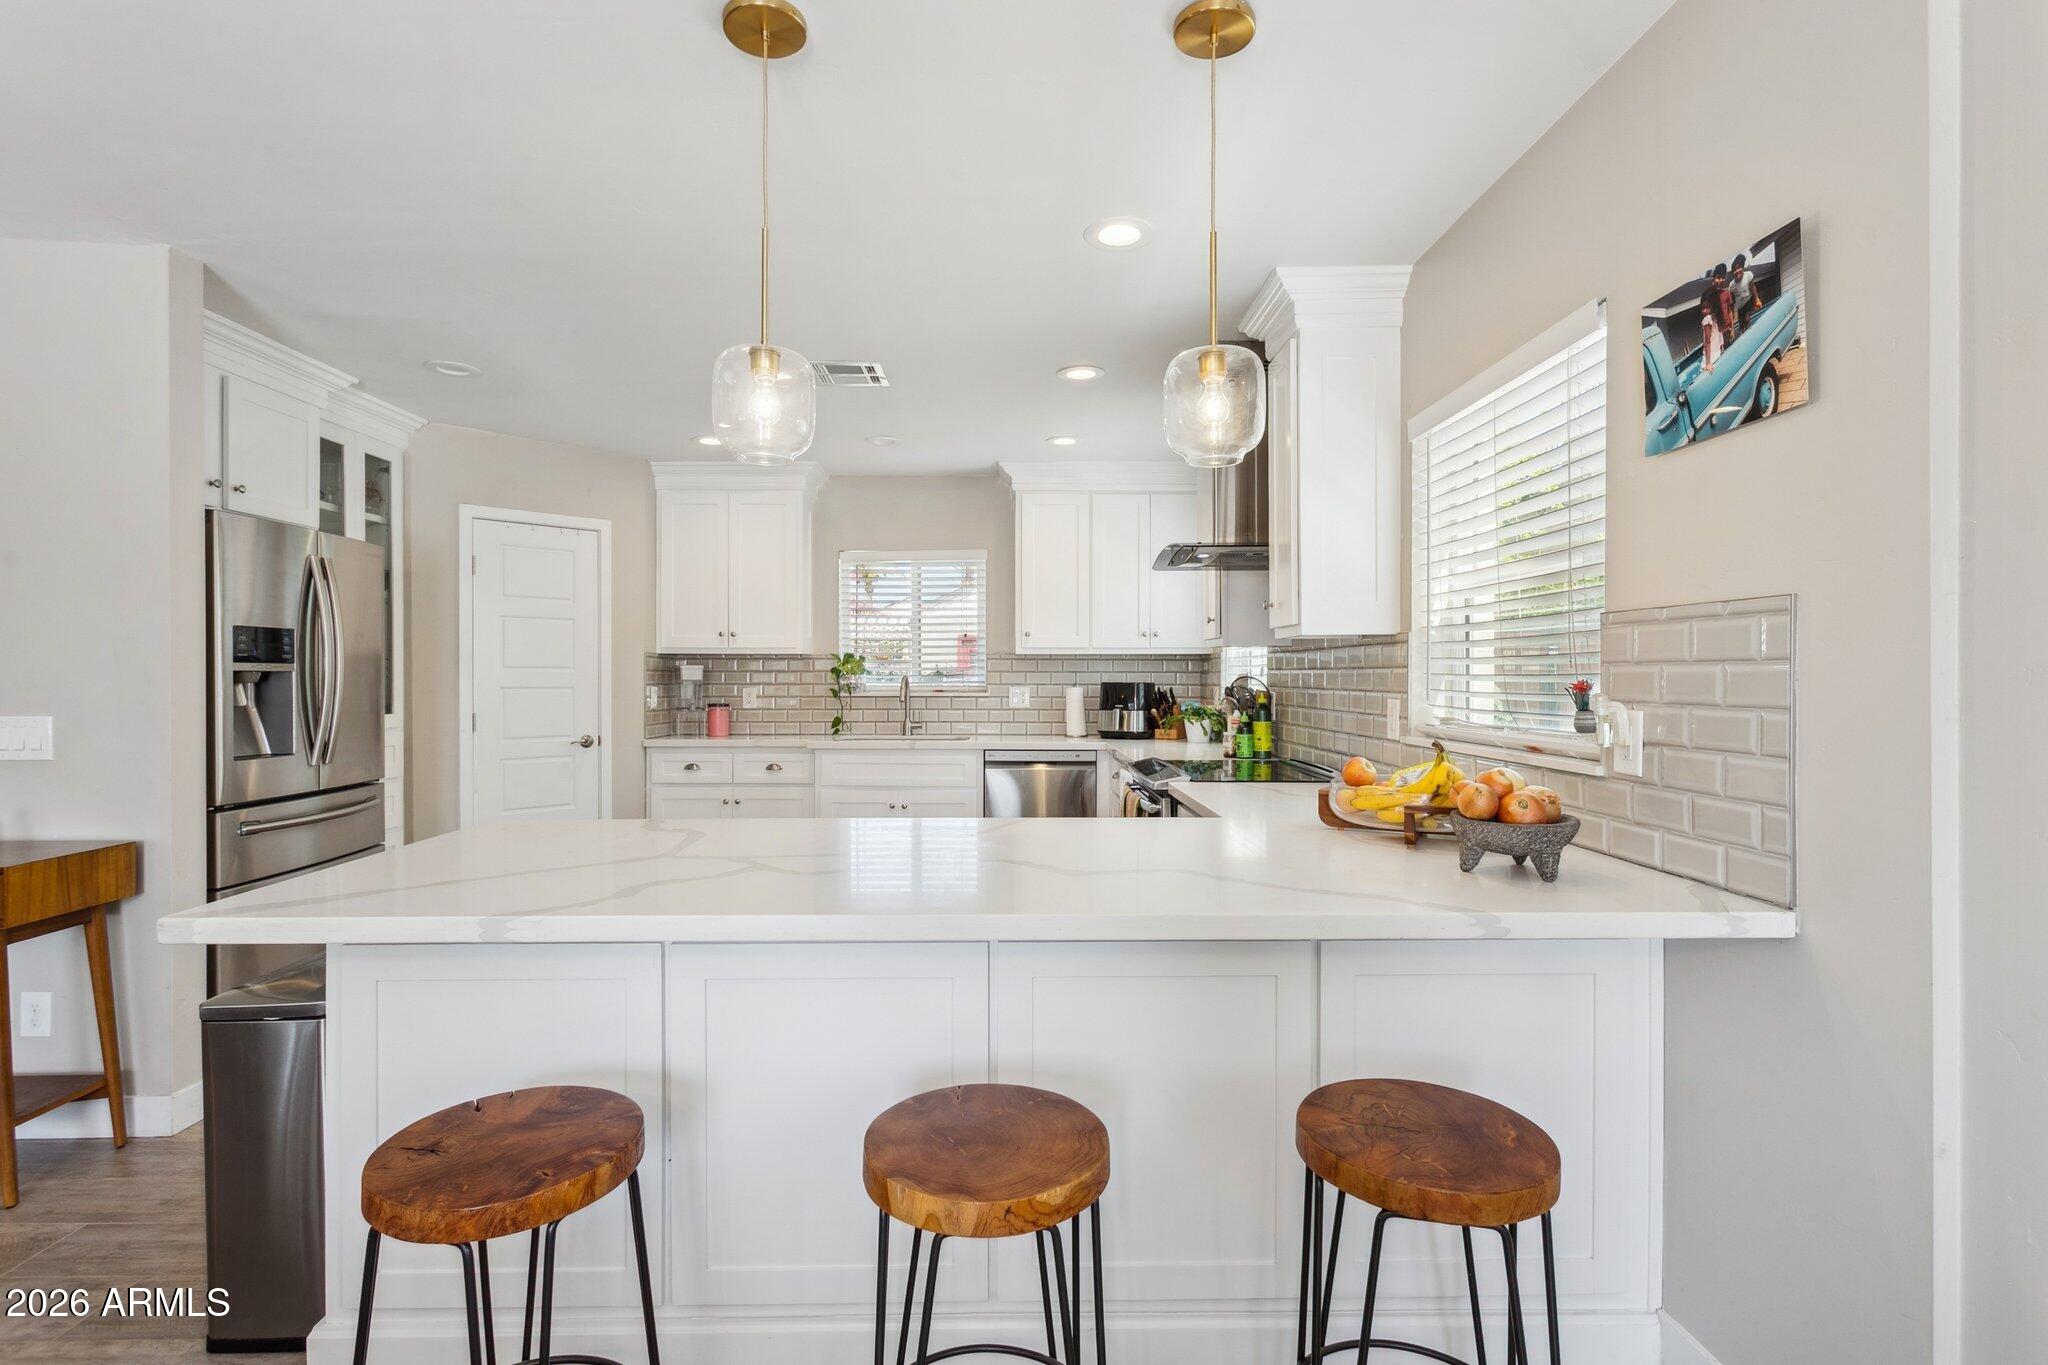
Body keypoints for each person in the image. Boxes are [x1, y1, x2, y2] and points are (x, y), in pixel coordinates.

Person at [1728, 253, 1760, 334]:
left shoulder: (1748, 275)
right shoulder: (1732, 285)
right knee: (1742, 327)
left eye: (1739, 268)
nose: (1737, 271)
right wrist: (1733, 313)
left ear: (1742, 268)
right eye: (1734, 270)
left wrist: (1757, 299)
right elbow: (1732, 301)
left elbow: (1753, 287)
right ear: (1732, 272)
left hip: (1749, 302)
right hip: (1740, 308)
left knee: (1749, 320)